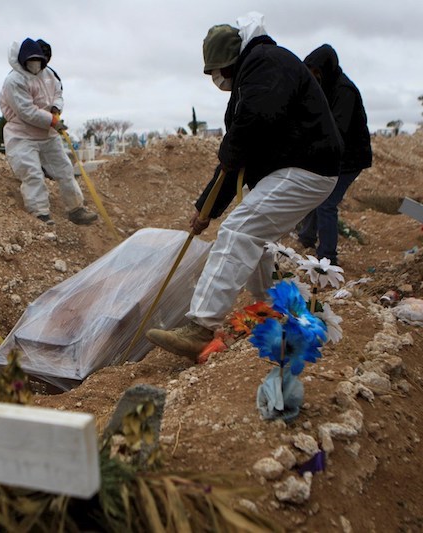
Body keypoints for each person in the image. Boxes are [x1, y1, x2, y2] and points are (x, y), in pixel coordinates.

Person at [146, 12, 342, 360]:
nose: (216, 78)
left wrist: (225, 166)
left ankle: (200, 327)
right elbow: (235, 162)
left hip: (307, 168)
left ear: (231, 61)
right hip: (296, 168)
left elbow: (247, 132)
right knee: (252, 233)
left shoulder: (266, 63)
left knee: (240, 229)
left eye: (218, 70)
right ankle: (269, 306)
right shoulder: (256, 75)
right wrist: (207, 208)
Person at [0, 38, 97, 226]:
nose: (36, 65)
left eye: (39, 61)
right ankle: (40, 214)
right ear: (22, 61)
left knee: (65, 170)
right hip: (22, 135)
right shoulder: (14, 81)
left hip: (48, 134)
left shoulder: (49, 74)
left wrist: (55, 109)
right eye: (31, 61)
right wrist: (51, 120)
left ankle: (76, 209)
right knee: (32, 173)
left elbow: (58, 93)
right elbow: (25, 111)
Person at [297, 44, 373, 266]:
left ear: (324, 70)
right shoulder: (323, 88)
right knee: (315, 192)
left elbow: (338, 129)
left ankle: (327, 257)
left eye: (315, 74)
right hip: (334, 156)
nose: (313, 79)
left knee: (327, 203)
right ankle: (306, 238)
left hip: (350, 158)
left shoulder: (344, 91)